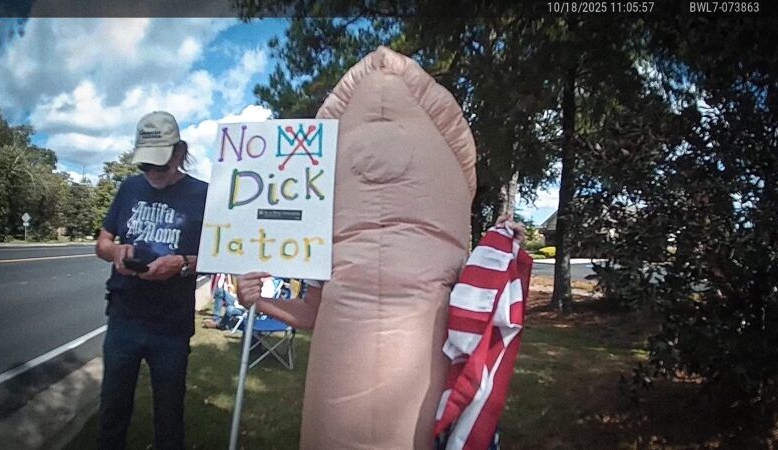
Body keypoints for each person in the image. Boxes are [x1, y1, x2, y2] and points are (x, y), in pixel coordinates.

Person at [95, 111, 208, 449]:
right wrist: (116, 253)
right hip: (124, 316)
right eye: (146, 165)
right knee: (112, 408)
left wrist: (184, 264)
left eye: (159, 165)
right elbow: (102, 243)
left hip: (170, 324)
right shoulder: (128, 187)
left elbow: (222, 256)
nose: (152, 173)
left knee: (169, 415)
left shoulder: (204, 194)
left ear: (179, 153)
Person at [234, 216, 525, 330]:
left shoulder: (435, 232)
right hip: (346, 381)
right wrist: (257, 301)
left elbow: (473, 303)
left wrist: (496, 251)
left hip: (422, 384)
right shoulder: (328, 236)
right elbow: (312, 313)